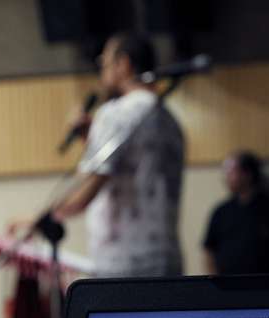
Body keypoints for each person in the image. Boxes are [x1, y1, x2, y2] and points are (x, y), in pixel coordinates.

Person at [42, 32, 185, 277]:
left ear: (124, 64)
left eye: (104, 62)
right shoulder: (171, 121)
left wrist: (39, 220)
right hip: (166, 259)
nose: (101, 70)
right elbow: (130, 168)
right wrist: (90, 137)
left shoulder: (115, 113)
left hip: (122, 262)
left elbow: (86, 187)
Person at [203, 151, 269, 274]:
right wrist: (214, 280)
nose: (226, 177)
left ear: (247, 174)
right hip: (227, 287)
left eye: (231, 172)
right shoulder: (221, 211)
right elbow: (208, 248)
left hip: (266, 286)